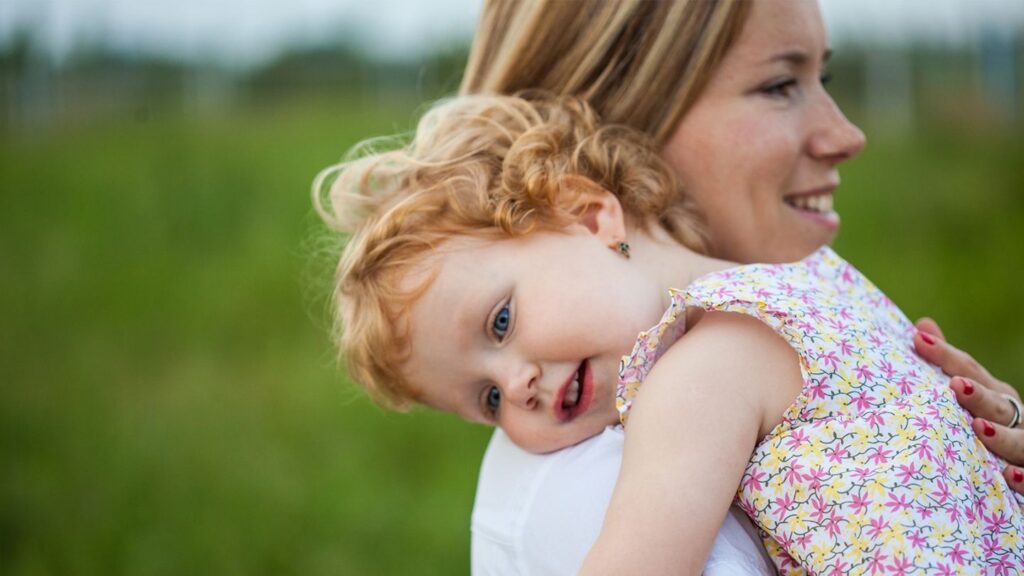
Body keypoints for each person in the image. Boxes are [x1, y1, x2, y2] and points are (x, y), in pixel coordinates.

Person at [313, 92, 1024, 573]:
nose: (517, 385)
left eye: (500, 322)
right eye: (486, 400)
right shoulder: (820, 274)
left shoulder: (696, 377)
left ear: (593, 218)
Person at [457, 0, 1024, 572]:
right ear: (624, 120)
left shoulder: (810, 282)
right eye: (779, 85)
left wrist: (989, 482)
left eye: (818, 77)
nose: (846, 135)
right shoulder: (586, 492)